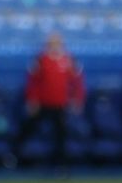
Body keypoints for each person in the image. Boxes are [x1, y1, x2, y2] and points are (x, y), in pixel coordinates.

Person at [19, 32, 83, 171]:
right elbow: (33, 82)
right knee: (29, 128)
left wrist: (77, 99)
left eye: (57, 42)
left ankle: (61, 165)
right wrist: (32, 100)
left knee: (61, 135)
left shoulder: (68, 60)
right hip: (43, 104)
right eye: (52, 43)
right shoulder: (41, 60)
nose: (54, 45)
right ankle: (15, 157)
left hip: (60, 104)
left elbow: (76, 82)